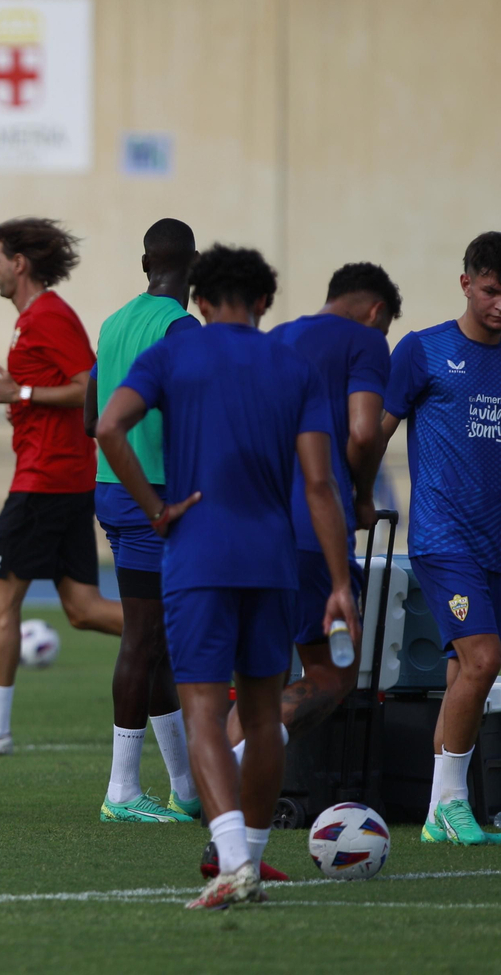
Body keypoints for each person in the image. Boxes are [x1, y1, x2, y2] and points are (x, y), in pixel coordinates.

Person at [96, 245, 357, 910]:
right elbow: (321, 483)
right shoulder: (292, 367)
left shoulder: (173, 353)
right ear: (265, 302)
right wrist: (338, 581)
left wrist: (155, 509)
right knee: (264, 715)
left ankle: (232, 858)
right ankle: (256, 859)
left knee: (207, 713)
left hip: (198, 556)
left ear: (201, 302)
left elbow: (109, 426)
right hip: (273, 558)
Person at [0, 217, 123, 756]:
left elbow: (92, 385)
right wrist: (23, 394)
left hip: (47, 479)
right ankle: (185, 636)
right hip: (58, 476)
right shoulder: (31, 319)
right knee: (83, 608)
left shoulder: (49, 314)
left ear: (20, 264)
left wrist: (24, 391)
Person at [225, 264, 399, 769]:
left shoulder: (275, 336)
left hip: (254, 521)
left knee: (262, 679)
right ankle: (234, 763)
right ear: (376, 311)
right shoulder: (365, 341)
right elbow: (365, 433)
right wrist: (363, 494)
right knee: (333, 672)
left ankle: (221, 792)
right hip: (311, 528)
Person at [381, 231, 501, 847]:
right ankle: (449, 807)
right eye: (490, 291)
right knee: (483, 660)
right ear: (466, 283)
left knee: (466, 676)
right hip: (443, 538)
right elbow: (376, 433)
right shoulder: (424, 351)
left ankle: (441, 811)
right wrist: (351, 497)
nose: (499, 304)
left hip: (496, 544)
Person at [82, 218, 202, 824]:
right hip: (155, 496)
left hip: (111, 486)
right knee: (145, 639)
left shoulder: (112, 323)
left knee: (154, 644)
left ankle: (185, 788)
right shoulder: (181, 328)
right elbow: (194, 418)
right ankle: (122, 792)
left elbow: (89, 417)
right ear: (194, 265)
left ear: (145, 262)